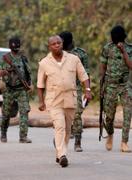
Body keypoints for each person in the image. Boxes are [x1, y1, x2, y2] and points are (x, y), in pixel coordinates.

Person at [37, 35, 91, 167]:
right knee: (60, 126)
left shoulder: (73, 59)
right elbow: (40, 84)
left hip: (70, 98)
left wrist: (88, 90)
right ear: (49, 47)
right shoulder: (44, 63)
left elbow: (83, 75)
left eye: (59, 43)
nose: (57, 45)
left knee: (67, 129)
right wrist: (41, 101)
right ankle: (62, 155)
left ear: (62, 44)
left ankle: (59, 152)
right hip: (54, 100)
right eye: (54, 44)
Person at [100, 25, 132, 152]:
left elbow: (131, 66)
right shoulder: (107, 48)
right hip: (110, 85)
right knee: (109, 115)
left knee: (128, 114)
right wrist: (102, 85)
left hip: (125, 85)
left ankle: (124, 142)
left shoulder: (129, 48)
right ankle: (110, 135)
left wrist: (124, 51)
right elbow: (103, 66)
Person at [59, 31, 90, 152]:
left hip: (75, 88)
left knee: (76, 115)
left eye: (62, 41)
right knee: (60, 115)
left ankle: (77, 142)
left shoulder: (80, 54)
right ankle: (61, 139)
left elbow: (86, 74)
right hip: (60, 88)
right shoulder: (58, 53)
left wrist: (88, 90)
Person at [0, 36, 32, 143]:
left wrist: (29, 84)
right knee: (6, 113)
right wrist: (8, 73)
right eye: (13, 45)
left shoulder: (23, 58)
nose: (15, 47)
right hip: (9, 89)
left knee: (24, 111)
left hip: (21, 89)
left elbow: (28, 73)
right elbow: (1, 74)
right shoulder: (5, 58)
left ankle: (23, 136)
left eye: (17, 45)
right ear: (10, 46)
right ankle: (3, 132)